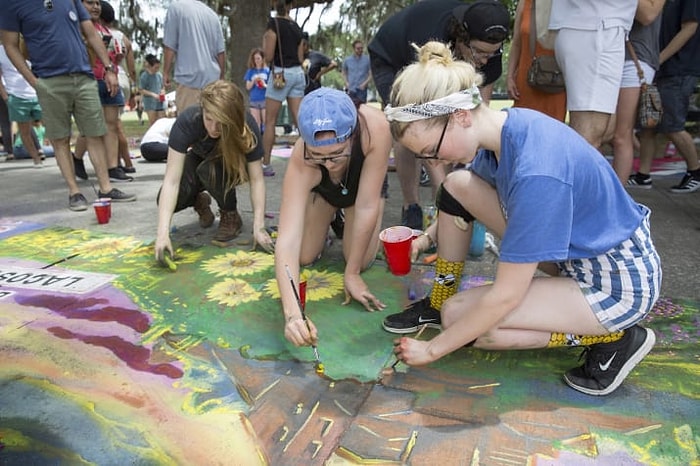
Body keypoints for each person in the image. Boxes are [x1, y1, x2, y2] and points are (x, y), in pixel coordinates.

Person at [385, 41, 661, 396]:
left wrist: (432, 350)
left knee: (465, 323)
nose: (434, 162)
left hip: (615, 283)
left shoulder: (537, 171)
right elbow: (465, 194)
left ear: (461, 116)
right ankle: (439, 299)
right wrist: (427, 238)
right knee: (457, 184)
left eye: (431, 151)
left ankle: (616, 336)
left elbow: (506, 296)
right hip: (575, 254)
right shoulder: (503, 134)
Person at [368, 0, 510, 230]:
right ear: (461, 40)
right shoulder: (436, 39)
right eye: (478, 52)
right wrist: (450, 198)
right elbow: (431, 132)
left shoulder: (489, 55)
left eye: (493, 53)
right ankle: (411, 205)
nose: (484, 60)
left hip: (429, 61)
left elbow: (479, 112)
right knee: (409, 131)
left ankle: (442, 208)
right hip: (393, 56)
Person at [274, 87, 392, 347]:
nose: (328, 163)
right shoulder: (300, 157)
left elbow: (365, 206)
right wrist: (293, 316)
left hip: (363, 192)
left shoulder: (377, 128)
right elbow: (287, 242)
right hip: (326, 192)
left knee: (359, 260)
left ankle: (344, 220)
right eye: (318, 156)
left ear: (351, 136)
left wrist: (351, 274)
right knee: (304, 256)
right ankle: (329, 212)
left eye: (337, 153)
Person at [1, 0, 136, 211]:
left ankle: (106, 188)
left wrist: (109, 69)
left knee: (95, 133)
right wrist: (34, 82)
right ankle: (74, 192)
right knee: (60, 138)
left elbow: (90, 33)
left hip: (83, 76)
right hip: (49, 80)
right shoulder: (11, 4)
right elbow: (9, 45)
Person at [155, 80, 274, 261]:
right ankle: (199, 200)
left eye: (221, 123)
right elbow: (171, 180)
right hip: (199, 159)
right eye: (209, 119)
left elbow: (257, 179)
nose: (213, 128)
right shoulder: (188, 121)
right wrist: (162, 234)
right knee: (166, 198)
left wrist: (259, 227)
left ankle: (230, 213)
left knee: (209, 169)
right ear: (202, 110)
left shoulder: (246, 124)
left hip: (230, 162)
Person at [630, 0, 700, 193]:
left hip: (678, 67)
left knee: (672, 125)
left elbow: (690, 28)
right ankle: (643, 175)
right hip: (657, 66)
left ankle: (695, 172)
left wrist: (659, 58)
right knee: (648, 124)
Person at [549, 0, 637, 149]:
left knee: (602, 131)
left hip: (594, 25)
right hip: (596, 27)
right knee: (589, 133)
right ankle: (570, 172)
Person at [610, 0, 665, 183]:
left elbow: (647, 15)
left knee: (621, 135)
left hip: (635, 60)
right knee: (600, 132)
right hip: (605, 52)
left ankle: (616, 200)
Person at [78, 0, 132, 183]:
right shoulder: (78, 28)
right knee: (93, 127)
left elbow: (111, 58)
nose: (95, 7)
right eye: (90, 3)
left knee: (112, 124)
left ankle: (113, 168)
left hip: (109, 79)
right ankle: (77, 158)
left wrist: (116, 59)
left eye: (97, 4)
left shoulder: (105, 30)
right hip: (89, 80)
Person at [261, 0, 305, 177]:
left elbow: (269, 55)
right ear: (290, 6)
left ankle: (266, 164)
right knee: (300, 122)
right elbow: (301, 57)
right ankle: (308, 160)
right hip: (297, 74)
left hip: (281, 74)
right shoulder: (296, 27)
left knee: (270, 121)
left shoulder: (273, 24)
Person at [506, 0, 566, 121]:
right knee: (523, 126)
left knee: (552, 130)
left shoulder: (566, 4)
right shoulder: (525, 3)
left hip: (556, 81)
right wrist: (510, 76)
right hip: (526, 81)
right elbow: (517, 43)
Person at [162, 0, 225, 114]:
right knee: (212, 126)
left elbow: (170, 46)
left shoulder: (176, 8)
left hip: (189, 81)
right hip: (212, 82)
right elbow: (220, 52)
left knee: (189, 127)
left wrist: (165, 72)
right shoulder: (212, 15)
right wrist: (221, 79)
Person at [99, 0, 136, 174]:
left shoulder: (95, 33)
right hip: (123, 79)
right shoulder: (123, 37)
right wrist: (134, 88)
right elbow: (132, 67)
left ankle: (123, 163)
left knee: (112, 125)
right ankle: (120, 161)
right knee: (113, 124)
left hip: (108, 77)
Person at [0, 42, 44, 167]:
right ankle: (36, 159)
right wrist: (6, 97)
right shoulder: (1, 51)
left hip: (36, 91)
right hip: (15, 94)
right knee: (24, 129)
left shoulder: (29, 45)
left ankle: (54, 155)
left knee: (51, 125)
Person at [244, 48, 270, 134]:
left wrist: (264, 84)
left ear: (262, 59)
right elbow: (248, 87)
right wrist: (253, 81)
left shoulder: (267, 71)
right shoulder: (250, 71)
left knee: (266, 122)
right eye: (255, 59)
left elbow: (271, 87)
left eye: (258, 58)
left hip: (265, 99)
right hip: (254, 99)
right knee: (256, 123)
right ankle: (258, 141)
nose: (257, 61)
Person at [342, 39, 371, 105]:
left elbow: (371, 74)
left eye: (361, 48)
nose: (360, 50)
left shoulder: (367, 60)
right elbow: (344, 73)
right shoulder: (347, 60)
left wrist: (365, 84)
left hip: (362, 90)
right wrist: (346, 82)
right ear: (354, 48)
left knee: (362, 109)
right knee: (350, 107)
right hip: (351, 89)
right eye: (358, 48)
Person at [139, 54, 166, 127]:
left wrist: (163, 91)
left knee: (162, 122)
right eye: (155, 67)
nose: (157, 69)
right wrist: (153, 95)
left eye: (158, 67)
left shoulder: (159, 75)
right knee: (153, 123)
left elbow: (162, 87)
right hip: (150, 103)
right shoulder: (144, 76)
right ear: (150, 66)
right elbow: (141, 90)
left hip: (160, 102)